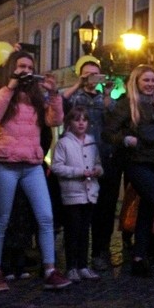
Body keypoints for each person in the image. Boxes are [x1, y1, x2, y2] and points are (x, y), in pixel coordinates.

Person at [0, 50, 71, 292]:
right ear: (12, 68)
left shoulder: (36, 96)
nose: (26, 71)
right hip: (5, 163)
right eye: (21, 66)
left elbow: (55, 121)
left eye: (29, 67)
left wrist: (54, 94)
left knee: (46, 217)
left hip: (32, 164)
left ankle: (50, 269)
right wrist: (10, 86)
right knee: (0, 219)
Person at [103, 64, 154, 278]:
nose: (150, 84)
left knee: (147, 209)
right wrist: (126, 140)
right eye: (146, 80)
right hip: (137, 162)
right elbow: (108, 132)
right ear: (136, 81)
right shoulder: (127, 104)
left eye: (153, 80)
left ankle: (139, 258)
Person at [62, 56, 118, 271]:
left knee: (105, 209)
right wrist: (78, 83)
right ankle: (77, 258)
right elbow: (61, 104)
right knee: (81, 209)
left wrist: (107, 93)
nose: (92, 78)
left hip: (103, 157)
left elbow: (113, 117)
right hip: (79, 158)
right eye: (88, 74)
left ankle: (100, 252)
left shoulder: (104, 98)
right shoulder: (75, 96)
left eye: (95, 74)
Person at [51, 106, 103, 282]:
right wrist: (79, 172)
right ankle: (71, 266)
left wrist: (98, 170)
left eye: (84, 119)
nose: (81, 123)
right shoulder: (64, 143)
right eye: (77, 119)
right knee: (72, 231)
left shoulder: (91, 142)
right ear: (70, 122)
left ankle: (83, 265)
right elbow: (57, 167)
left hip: (89, 193)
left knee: (85, 231)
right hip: (72, 194)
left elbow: (97, 162)